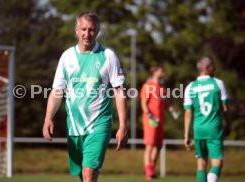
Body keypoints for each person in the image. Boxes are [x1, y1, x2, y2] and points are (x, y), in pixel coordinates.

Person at [42, 11, 128, 182]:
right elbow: (57, 91)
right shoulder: (67, 57)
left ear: (98, 31)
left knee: (89, 175)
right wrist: (48, 118)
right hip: (74, 126)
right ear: (76, 30)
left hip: (99, 125)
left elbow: (120, 91)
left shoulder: (108, 55)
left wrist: (123, 125)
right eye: (83, 29)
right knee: (83, 175)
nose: (87, 34)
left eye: (92, 30)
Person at [184, 57, 229, 182]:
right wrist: (227, 122)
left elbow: (188, 112)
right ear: (207, 68)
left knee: (201, 165)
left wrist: (186, 135)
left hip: (198, 129)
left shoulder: (190, 87)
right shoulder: (218, 83)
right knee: (217, 164)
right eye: (212, 66)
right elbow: (225, 108)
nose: (214, 68)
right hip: (214, 128)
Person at [140, 65, 177, 180]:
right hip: (150, 120)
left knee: (158, 145)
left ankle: (152, 169)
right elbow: (143, 103)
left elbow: (166, 102)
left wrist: (173, 111)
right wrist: (150, 116)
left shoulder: (162, 87)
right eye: (161, 71)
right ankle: (148, 172)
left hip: (161, 120)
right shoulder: (148, 86)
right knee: (150, 146)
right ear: (155, 72)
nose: (163, 72)